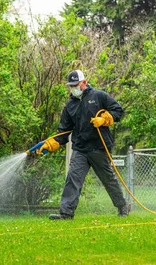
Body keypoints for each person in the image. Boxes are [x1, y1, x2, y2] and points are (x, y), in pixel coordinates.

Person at [38, 69, 129, 219]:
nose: (73, 88)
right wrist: (52, 143)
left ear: (84, 83)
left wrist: (105, 119)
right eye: (71, 85)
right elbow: (64, 131)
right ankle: (66, 213)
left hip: (99, 147)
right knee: (73, 178)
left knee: (108, 179)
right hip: (80, 148)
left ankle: (122, 207)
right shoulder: (70, 106)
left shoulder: (99, 96)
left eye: (76, 84)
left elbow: (118, 110)